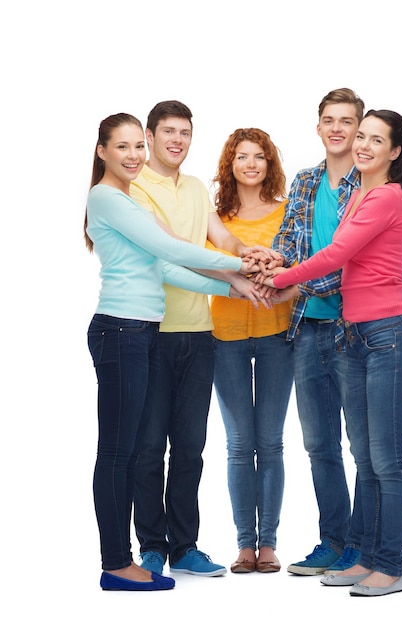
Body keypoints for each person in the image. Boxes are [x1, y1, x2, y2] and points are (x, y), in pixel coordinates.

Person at [85, 113, 260, 591]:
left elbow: (167, 267)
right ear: (102, 151)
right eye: (122, 147)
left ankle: (132, 560)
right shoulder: (109, 197)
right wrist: (239, 264)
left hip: (137, 330)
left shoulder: (124, 198)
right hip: (122, 331)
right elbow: (170, 248)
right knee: (121, 455)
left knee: (137, 452)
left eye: (134, 148)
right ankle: (119, 563)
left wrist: (234, 288)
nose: (133, 156)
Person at [262, 109, 402, 596]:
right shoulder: (357, 194)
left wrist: (279, 281)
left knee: (388, 462)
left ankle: (390, 566)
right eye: (362, 137)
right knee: (369, 461)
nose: (364, 145)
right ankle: (363, 557)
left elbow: (333, 256)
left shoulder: (387, 197)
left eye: (377, 140)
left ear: (394, 152)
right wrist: (284, 276)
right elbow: (331, 260)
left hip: (390, 338)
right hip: (356, 336)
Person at [130, 101, 279, 577]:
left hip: (199, 333)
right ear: (149, 136)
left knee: (190, 448)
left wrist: (244, 251)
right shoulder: (132, 188)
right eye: (168, 131)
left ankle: (185, 546)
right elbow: (172, 254)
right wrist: (235, 276)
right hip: (154, 329)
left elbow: (220, 237)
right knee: (151, 446)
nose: (177, 140)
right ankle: (152, 545)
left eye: (186, 133)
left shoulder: (195, 189)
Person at [268, 88, 365, 575]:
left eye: (347, 121)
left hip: (354, 329)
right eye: (329, 119)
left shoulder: (369, 186)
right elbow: (287, 237)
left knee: (363, 446)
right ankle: (334, 541)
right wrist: (271, 263)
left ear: (360, 129)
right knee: (319, 444)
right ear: (319, 126)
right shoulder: (305, 181)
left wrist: (288, 284)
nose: (337, 129)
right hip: (307, 328)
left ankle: (361, 547)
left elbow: (348, 262)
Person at [209, 128, 294, 573]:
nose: (251, 164)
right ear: (231, 163)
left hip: (276, 332)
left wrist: (274, 268)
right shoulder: (214, 217)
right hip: (224, 334)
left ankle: (269, 545)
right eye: (242, 156)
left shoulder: (285, 213)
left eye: (259, 156)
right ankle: (245, 544)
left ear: (269, 163)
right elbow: (203, 264)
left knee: (272, 442)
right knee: (240, 444)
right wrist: (239, 270)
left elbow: (299, 266)